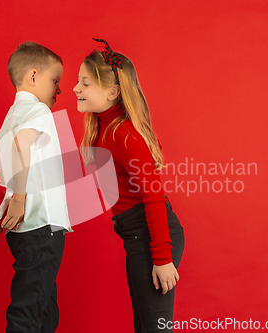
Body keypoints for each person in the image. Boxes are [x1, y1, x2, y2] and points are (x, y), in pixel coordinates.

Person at [73, 38, 185, 332]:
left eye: (85, 82)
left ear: (112, 91)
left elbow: (153, 198)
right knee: (145, 327)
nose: (75, 88)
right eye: (77, 82)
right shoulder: (102, 129)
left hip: (152, 239)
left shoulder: (125, 136)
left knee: (154, 328)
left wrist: (162, 259)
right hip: (135, 238)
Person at [0, 41, 71, 333]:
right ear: (33, 76)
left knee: (43, 309)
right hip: (43, 227)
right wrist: (18, 199)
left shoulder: (9, 120)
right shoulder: (39, 111)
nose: (59, 89)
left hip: (21, 233)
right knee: (28, 312)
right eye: (55, 80)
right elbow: (20, 147)